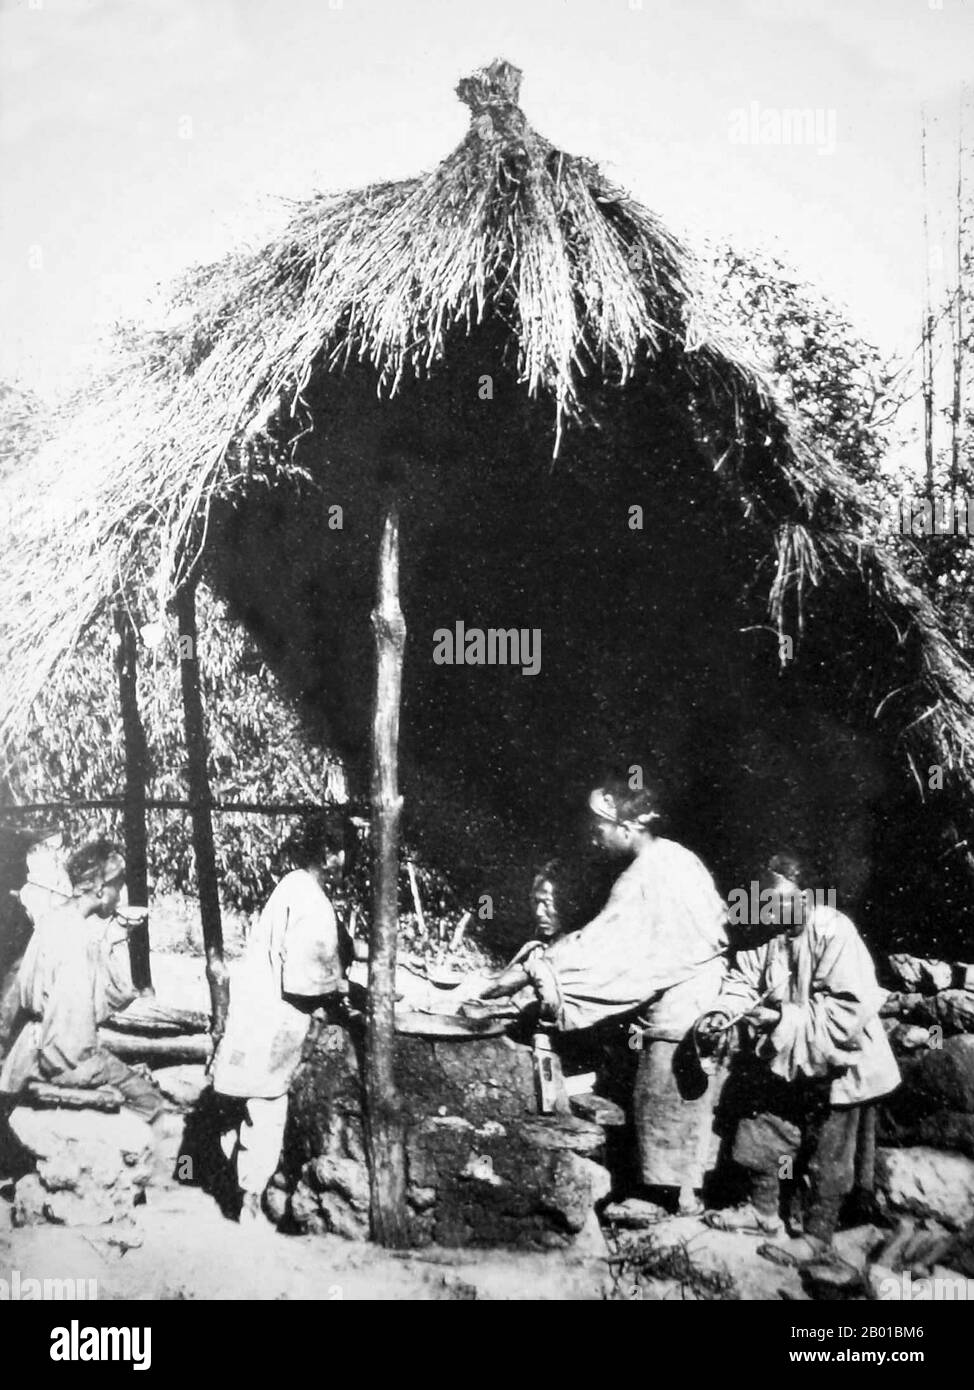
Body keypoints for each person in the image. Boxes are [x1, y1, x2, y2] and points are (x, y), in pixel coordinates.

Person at [480, 779, 729, 1215]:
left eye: (601, 829)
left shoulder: (645, 875)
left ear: (627, 829)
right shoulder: (677, 857)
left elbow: (603, 947)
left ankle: (661, 1198)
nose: (595, 838)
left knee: (663, 1092)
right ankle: (680, 1193)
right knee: (668, 1095)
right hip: (693, 989)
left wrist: (531, 974)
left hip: (684, 1001)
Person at [700, 852, 900, 1265]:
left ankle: (817, 1237)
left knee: (830, 1150)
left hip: (842, 1058)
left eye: (781, 901)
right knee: (763, 1122)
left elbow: (848, 1007)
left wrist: (780, 1018)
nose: (772, 910)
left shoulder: (834, 931)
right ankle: (762, 1212)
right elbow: (743, 981)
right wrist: (723, 1011)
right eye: (765, 901)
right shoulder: (767, 935)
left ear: (807, 897)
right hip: (790, 1053)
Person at [211, 809, 365, 1223]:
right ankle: (249, 1202)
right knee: (267, 1106)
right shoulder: (311, 901)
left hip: (254, 1014)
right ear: (331, 853)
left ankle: (235, 1188)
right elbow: (303, 981)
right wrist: (347, 991)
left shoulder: (292, 885)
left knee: (243, 1104)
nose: (347, 863)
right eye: (346, 853)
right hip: (274, 1022)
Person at [0, 838, 166, 1123]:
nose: (121, 896)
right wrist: (99, 1068)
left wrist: (115, 933)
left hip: (26, 1050)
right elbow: (72, 1038)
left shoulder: (56, 919)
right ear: (100, 888)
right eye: (119, 887)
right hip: (55, 1053)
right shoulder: (76, 937)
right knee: (153, 1105)